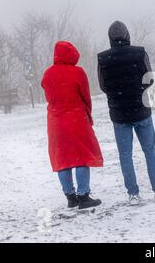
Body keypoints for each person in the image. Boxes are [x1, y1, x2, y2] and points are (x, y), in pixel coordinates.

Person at [97, 21, 155, 206]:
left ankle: (133, 194)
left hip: (119, 114)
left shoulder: (103, 59)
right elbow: (149, 78)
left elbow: (103, 85)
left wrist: (117, 94)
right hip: (141, 110)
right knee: (150, 150)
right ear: (127, 35)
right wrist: (138, 90)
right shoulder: (139, 53)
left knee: (125, 155)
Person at [42, 41, 103, 209]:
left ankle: (70, 196)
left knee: (63, 159)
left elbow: (49, 95)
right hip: (76, 120)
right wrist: (88, 116)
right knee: (81, 156)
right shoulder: (77, 72)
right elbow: (85, 97)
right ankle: (84, 196)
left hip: (55, 122)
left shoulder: (47, 74)